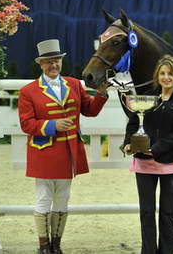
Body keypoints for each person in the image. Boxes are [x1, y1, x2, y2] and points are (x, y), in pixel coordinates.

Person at [18, 39, 109, 254]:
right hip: (44, 153)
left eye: (57, 60)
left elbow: (89, 110)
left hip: (69, 152)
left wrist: (102, 94)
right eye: (49, 62)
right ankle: (43, 246)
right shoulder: (28, 91)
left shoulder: (74, 84)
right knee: (43, 198)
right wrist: (52, 125)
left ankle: (56, 245)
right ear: (41, 64)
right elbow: (26, 124)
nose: (54, 65)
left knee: (62, 199)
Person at [122, 55, 173, 254]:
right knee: (146, 211)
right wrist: (128, 143)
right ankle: (149, 250)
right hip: (144, 163)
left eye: (170, 74)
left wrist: (157, 148)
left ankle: (167, 251)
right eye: (162, 74)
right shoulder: (147, 97)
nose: (166, 77)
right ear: (157, 76)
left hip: (172, 164)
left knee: (168, 212)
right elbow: (134, 124)